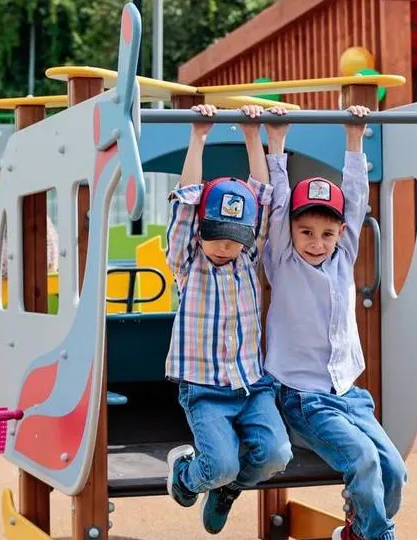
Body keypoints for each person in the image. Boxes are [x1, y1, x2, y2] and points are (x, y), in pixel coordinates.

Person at [262, 105, 408, 540]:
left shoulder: (343, 258)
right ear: (291, 232)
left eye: (327, 234)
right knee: (362, 459)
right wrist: (276, 142)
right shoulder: (283, 260)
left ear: (340, 234)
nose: (316, 243)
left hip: (349, 393)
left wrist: (354, 137)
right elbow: (278, 203)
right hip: (303, 398)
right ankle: (378, 537)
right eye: (306, 232)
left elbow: (357, 200)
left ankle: (358, 531)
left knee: (394, 470)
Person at [164, 103, 293, 535]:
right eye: (215, 236)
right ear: (201, 232)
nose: (224, 247)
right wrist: (198, 136)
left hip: (252, 384)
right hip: (204, 389)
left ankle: (227, 488)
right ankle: (186, 474)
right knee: (216, 464)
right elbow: (184, 204)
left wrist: (251, 135)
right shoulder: (188, 263)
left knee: (276, 456)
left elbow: (264, 195)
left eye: (233, 240)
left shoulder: (247, 258)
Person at [0, 165, 60, 277]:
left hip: (33, 278)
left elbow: (51, 255)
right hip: (5, 279)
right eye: (1, 184)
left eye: (8, 183)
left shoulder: (36, 213)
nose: (4, 188)